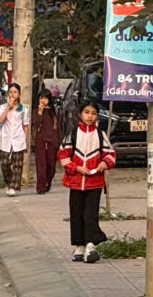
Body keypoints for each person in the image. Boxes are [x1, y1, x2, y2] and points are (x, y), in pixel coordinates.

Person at [58, 98, 115, 263]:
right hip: (75, 182)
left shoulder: (100, 135)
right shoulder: (73, 134)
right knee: (76, 214)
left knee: (90, 214)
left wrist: (104, 163)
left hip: (95, 182)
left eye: (93, 113)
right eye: (87, 113)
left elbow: (110, 154)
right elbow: (62, 155)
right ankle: (79, 246)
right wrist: (76, 167)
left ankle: (91, 245)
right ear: (80, 114)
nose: (90, 116)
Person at [0, 82, 31, 196]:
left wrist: (26, 142)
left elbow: (25, 126)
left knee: (17, 164)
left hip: (19, 139)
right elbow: (1, 121)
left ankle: (13, 187)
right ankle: (9, 182)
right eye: (10, 92)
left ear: (19, 94)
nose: (13, 94)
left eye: (15, 92)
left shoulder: (23, 109)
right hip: (6, 139)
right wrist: (8, 108)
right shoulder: (2, 107)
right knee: (5, 163)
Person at [33, 89, 60, 194]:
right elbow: (35, 124)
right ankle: (41, 187)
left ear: (49, 99)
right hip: (40, 140)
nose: (43, 100)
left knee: (51, 165)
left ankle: (48, 182)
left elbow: (58, 128)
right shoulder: (36, 111)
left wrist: (58, 142)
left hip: (52, 141)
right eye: (41, 98)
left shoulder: (54, 112)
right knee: (41, 165)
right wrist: (39, 112)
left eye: (45, 98)